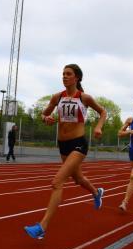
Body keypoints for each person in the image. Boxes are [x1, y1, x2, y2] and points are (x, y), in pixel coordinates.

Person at [24, 64, 107, 239]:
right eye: (63, 74)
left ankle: (42, 227)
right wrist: (46, 118)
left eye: (68, 74)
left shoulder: (84, 97)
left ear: (76, 78)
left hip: (79, 144)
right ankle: (96, 192)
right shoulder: (57, 97)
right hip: (63, 145)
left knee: (57, 181)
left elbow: (103, 112)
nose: (64, 76)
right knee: (77, 179)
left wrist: (99, 128)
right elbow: (43, 114)